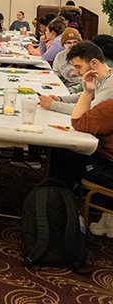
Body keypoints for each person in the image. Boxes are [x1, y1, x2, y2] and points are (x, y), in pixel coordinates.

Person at [49, 58, 113, 236]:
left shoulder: (109, 108)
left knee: (66, 155)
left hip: (109, 168)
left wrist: (87, 91)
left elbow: (79, 121)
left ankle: (60, 213)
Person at [39, 41, 113, 115]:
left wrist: (53, 105)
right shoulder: (98, 77)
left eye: (78, 67)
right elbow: (84, 96)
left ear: (94, 63)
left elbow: (88, 111)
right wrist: (60, 99)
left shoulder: (110, 83)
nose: (76, 72)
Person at [52, 28, 82, 92]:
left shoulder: (86, 56)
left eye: (75, 42)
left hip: (81, 89)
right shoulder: (59, 57)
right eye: (68, 43)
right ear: (63, 45)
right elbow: (56, 77)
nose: (72, 45)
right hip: (65, 88)